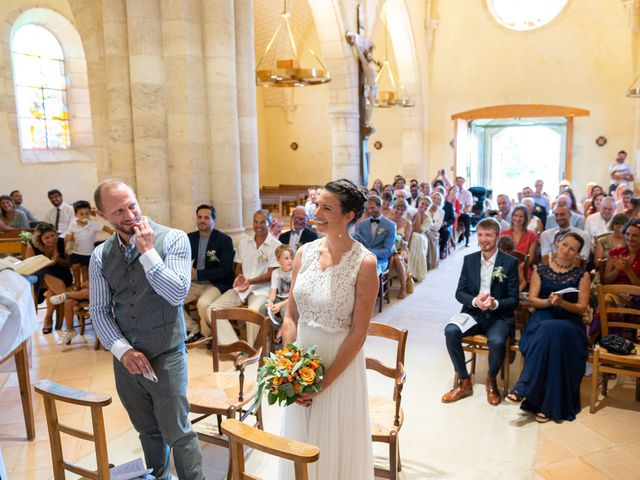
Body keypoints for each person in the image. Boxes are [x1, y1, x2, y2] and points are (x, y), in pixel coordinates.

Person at [89, 179, 204, 480]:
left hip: (167, 354)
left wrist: (148, 252)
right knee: (148, 433)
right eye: (118, 212)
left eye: (132, 205)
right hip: (126, 361)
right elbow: (99, 312)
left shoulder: (175, 239)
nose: (129, 216)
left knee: (179, 433)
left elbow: (177, 294)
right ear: (101, 215)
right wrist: (123, 351)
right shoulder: (100, 255)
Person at [278, 179, 377, 480]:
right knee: (299, 443)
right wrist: (290, 369)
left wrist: (322, 384)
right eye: (317, 204)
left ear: (348, 216)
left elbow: (359, 333)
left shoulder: (365, 263)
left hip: (338, 366)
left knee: (333, 445)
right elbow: (291, 314)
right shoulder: (303, 253)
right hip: (301, 359)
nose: (316, 212)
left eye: (326, 208)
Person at [506, 232, 590, 422]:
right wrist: (550, 303)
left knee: (550, 331)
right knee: (547, 332)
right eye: (565, 245)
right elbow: (533, 300)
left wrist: (562, 304)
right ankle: (546, 405)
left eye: (573, 249)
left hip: (569, 324)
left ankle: (523, 388)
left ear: (577, 253)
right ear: (558, 243)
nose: (567, 250)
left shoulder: (582, 275)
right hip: (543, 317)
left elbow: (582, 307)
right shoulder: (540, 270)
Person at [442, 218, 519, 406]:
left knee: (497, 341)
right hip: (473, 313)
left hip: (498, 315)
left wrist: (494, 304)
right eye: (481, 235)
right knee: (451, 331)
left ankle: (491, 381)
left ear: (497, 237)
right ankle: (464, 381)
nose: (484, 239)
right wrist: (475, 301)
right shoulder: (469, 260)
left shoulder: (509, 263)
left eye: (489, 235)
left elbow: (514, 299)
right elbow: (460, 293)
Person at [209, 209, 281, 346]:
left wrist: (251, 281)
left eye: (262, 222)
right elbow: (238, 267)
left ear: (269, 223)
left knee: (252, 313)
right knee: (213, 310)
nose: (258, 225)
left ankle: (251, 349)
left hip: (262, 290)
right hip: (242, 288)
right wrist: (240, 277)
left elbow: (272, 273)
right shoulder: (243, 243)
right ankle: (235, 347)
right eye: (255, 222)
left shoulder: (276, 246)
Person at [183, 204, 234, 343]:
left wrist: (198, 274)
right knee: (171, 299)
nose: (202, 220)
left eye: (206, 217)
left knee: (203, 303)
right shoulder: (189, 238)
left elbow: (225, 269)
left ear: (213, 220)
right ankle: (194, 329)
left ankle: (208, 338)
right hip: (192, 283)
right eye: (199, 217)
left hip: (214, 284)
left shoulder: (224, 240)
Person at [26, 222, 72, 334]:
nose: (51, 239)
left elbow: (69, 264)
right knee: (46, 273)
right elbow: (30, 268)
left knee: (51, 289)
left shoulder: (62, 242)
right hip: (40, 277)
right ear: (40, 239)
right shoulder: (33, 247)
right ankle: (69, 299)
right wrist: (48, 264)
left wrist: (58, 260)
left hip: (62, 274)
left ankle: (48, 317)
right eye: (47, 238)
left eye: (53, 235)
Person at [64, 200, 113, 288]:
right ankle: (77, 284)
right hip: (75, 251)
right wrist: (69, 238)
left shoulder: (92, 224)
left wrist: (112, 232)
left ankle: (84, 286)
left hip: (88, 253)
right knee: (75, 267)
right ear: (76, 215)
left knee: (85, 269)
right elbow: (68, 235)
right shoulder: (73, 225)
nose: (84, 216)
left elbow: (104, 227)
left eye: (87, 214)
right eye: (81, 214)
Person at [261, 244, 294, 346]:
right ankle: (277, 328)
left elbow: (294, 295)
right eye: (286, 258)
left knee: (285, 311)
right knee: (263, 309)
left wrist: (280, 305)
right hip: (280, 298)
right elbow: (273, 292)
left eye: (292, 258)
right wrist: (269, 302)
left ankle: (281, 331)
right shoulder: (275, 273)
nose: (290, 261)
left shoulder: (295, 272)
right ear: (278, 260)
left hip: (292, 299)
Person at [355, 195, 396, 274]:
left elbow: (388, 251)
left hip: (380, 260)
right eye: (369, 208)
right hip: (362, 258)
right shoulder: (361, 224)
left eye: (373, 208)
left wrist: (369, 252)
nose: (370, 210)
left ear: (380, 206)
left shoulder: (390, 225)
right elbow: (356, 242)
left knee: (371, 269)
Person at [389, 199, 412, 298]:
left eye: (402, 210)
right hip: (389, 248)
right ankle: (382, 286)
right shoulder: (387, 220)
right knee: (392, 258)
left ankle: (403, 288)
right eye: (397, 209)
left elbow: (406, 242)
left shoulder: (407, 223)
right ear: (393, 209)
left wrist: (401, 242)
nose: (399, 211)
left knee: (397, 258)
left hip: (402, 249)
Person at [454, 176, 472, 247]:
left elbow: (468, 206)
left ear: (463, 183)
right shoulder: (453, 191)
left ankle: (467, 238)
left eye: (461, 182)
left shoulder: (467, 193)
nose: (459, 183)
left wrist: (462, 212)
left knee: (467, 217)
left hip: (462, 213)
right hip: (453, 213)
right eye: (458, 182)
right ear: (456, 182)